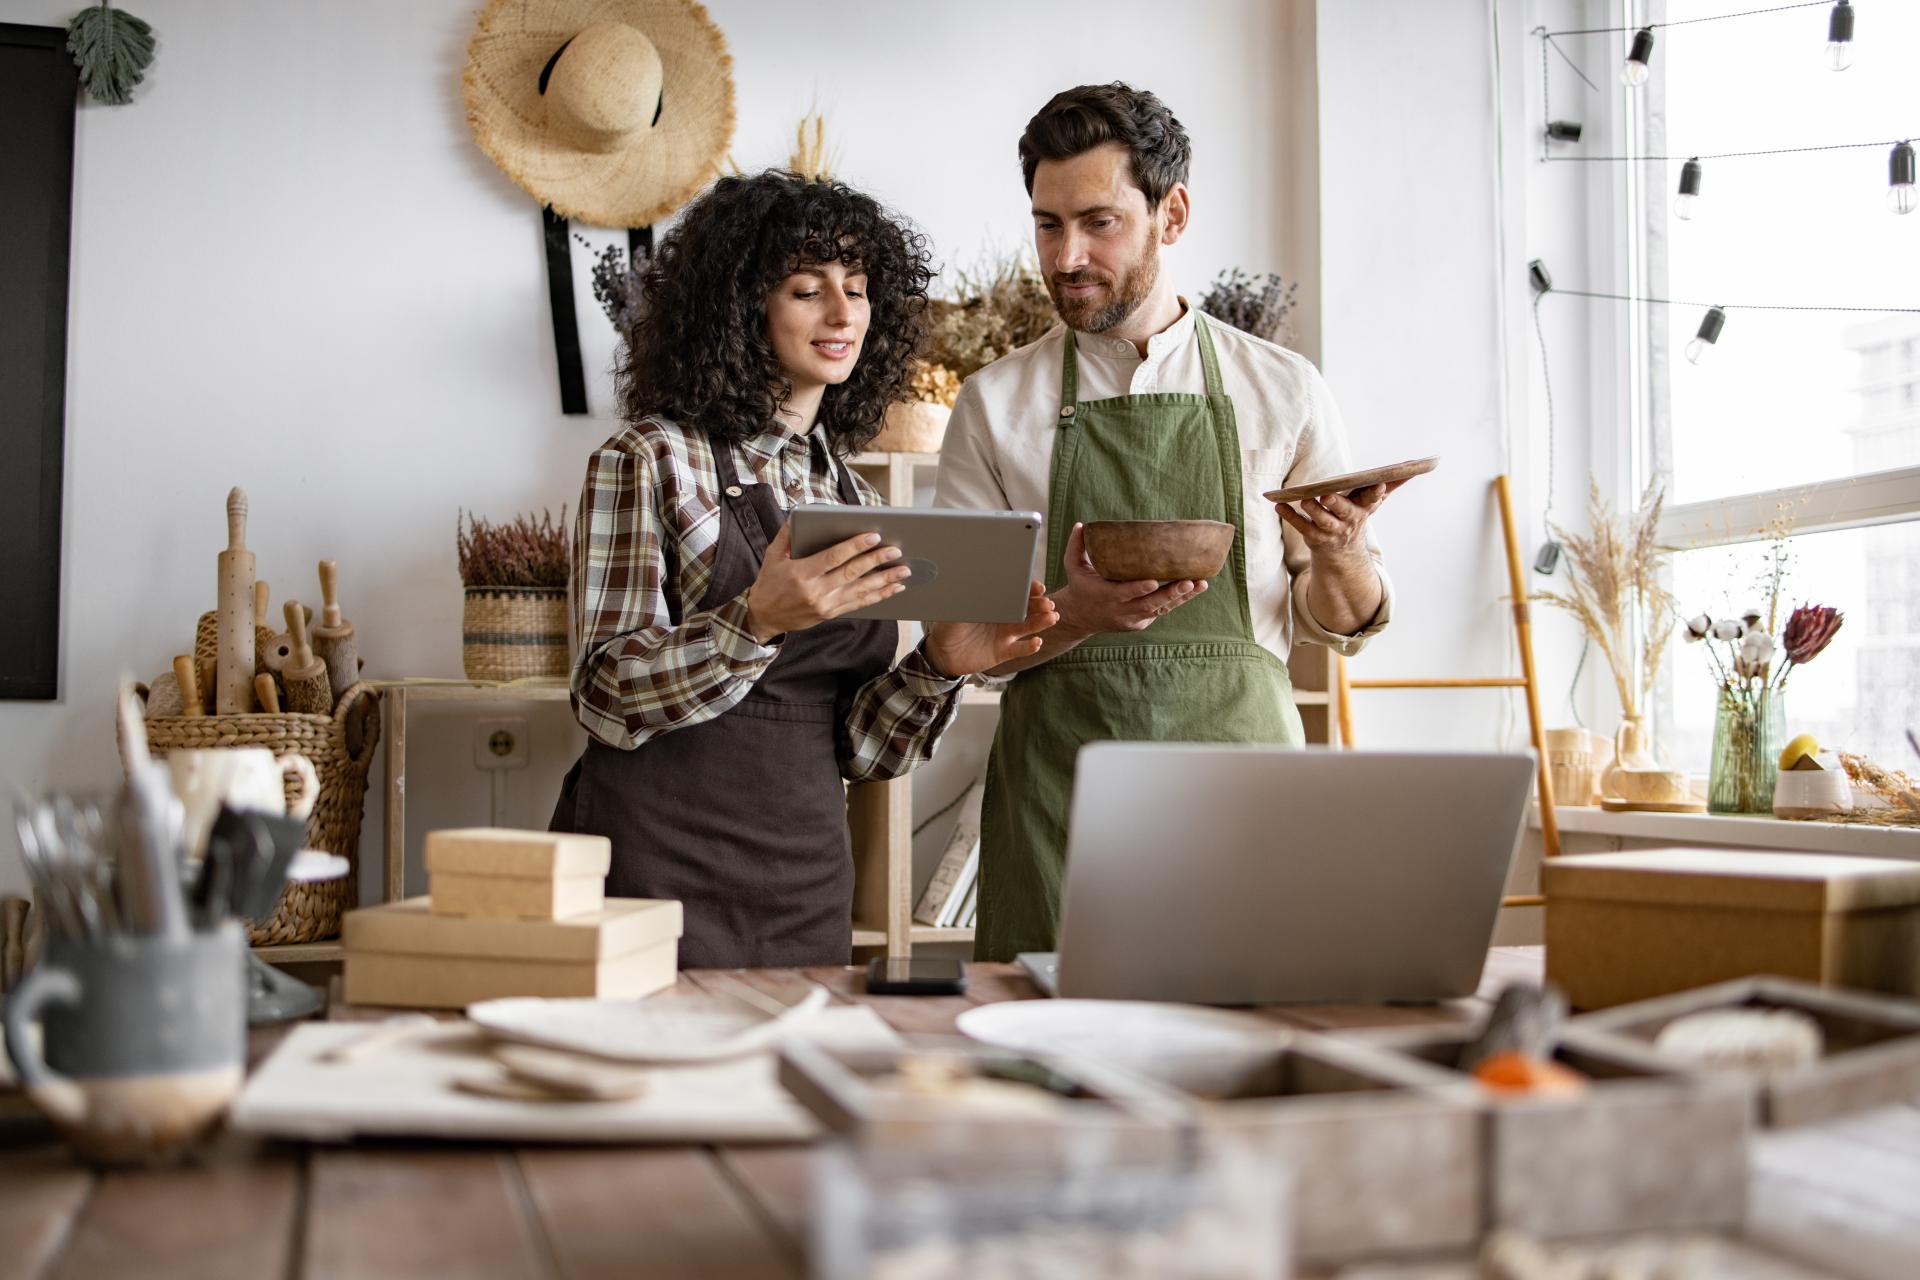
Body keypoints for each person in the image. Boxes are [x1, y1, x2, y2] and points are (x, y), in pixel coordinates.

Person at [934, 84, 1398, 962]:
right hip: (1060, 798)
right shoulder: (994, 405)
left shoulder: (1284, 389)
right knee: (1050, 1068)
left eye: (1098, 222)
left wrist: (1343, 552)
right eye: (1046, 224)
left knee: (1252, 1051)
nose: (1066, 256)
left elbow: (1339, 624)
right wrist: (1076, 613)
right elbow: (957, 639)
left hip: (1245, 794)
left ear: (1171, 214)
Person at [553, 170, 1057, 969]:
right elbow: (604, 695)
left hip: (805, 883)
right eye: (806, 288)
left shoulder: (848, 490)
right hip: (650, 868)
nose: (842, 313)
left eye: (857, 289)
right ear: (741, 305)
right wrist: (754, 621)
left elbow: (853, 748)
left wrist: (941, 667)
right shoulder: (648, 459)